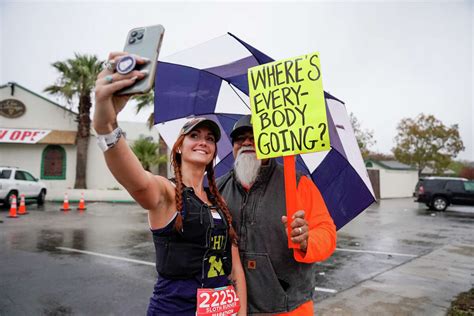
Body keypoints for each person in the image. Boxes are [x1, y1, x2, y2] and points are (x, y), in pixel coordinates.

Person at [93, 52, 247, 315]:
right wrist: (106, 125)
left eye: (210, 138)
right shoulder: (166, 191)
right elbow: (137, 181)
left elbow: (234, 268)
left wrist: (241, 313)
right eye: (194, 135)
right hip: (174, 309)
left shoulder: (217, 199)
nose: (203, 141)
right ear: (178, 148)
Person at [217, 115, 336, 315]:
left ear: (270, 143)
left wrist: (307, 240)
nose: (246, 142)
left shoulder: (298, 183)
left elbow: (327, 233)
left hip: (286, 307)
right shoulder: (218, 187)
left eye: (255, 137)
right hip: (232, 307)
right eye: (240, 138)